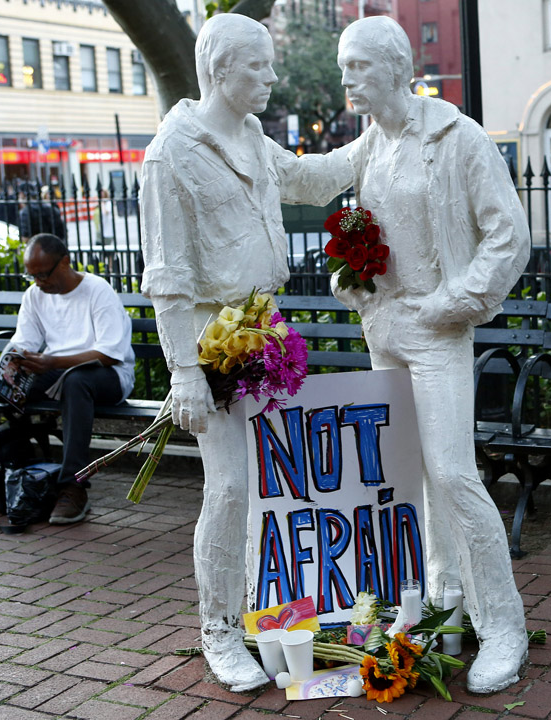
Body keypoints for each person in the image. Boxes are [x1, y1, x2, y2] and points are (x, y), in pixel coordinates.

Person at [139, 13, 352, 693]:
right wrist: (184, 374)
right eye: (257, 66)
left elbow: (312, 180)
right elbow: (166, 276)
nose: (270, 77)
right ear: (218, 69)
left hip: (266, 330)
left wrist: (382, 132)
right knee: (230, 490)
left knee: (277, 491)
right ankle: (219, 632)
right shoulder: (170, 152)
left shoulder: (256, 137)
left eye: (269, 64)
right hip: (212, 340)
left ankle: (267, 615)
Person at [327, 16, 531, 694]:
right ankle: (435, 603)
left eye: (357, 65)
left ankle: (504, 624)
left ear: (393, 65)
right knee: (403, 480)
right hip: (382, 327)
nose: (347, 77)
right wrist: (231, 131)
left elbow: (509, 238)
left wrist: (453, 302)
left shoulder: (455, 137)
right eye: (344, 66)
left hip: (438, 324)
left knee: (451, 473)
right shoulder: (367, 148)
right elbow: (305, 180)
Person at [0, 233, 136, 526]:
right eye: (32, 276)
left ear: (65, 262)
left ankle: (73, 486)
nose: (39, 282)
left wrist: (52, 362)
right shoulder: (34, 295)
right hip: (54, 372)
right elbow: (24, 341)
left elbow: (110, 353)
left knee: (76, 381)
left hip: (107, 376)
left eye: (43, 274)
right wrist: (16, 363)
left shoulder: (97, 290)